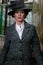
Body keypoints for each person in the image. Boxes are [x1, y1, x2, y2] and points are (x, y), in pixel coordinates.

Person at [0, 0, 43, 65]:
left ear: (25, 14)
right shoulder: (9, 30)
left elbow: (36, 49)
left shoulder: (31, 29)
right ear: (14, 14)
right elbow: (5, 49)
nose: (19, 15)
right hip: (11, 63)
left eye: (22, 12)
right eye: (17, 12)